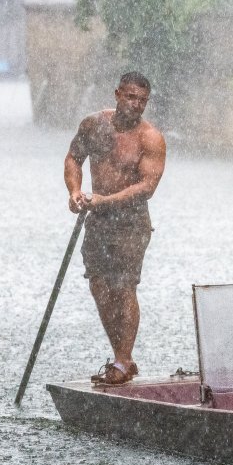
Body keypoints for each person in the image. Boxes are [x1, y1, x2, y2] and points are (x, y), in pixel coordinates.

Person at [64, 71, 166, 385]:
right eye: (131, 97)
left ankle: (122, 360)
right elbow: (73, 158)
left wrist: (105, 201)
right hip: (98, 219)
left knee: (124, 287)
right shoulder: (94, 125)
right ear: (117, 94)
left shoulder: (150, 139)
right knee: (99, 285)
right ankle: (123, 359)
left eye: (142, 101)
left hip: (131, 223)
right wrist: (75, 192)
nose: (136, 105)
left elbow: (147, 187)